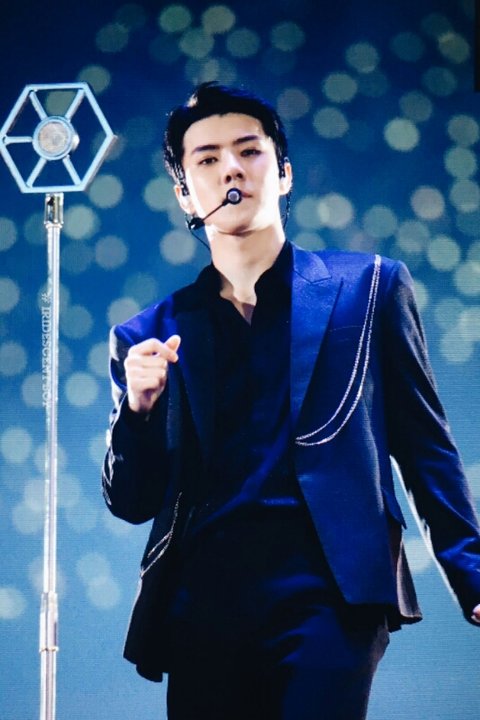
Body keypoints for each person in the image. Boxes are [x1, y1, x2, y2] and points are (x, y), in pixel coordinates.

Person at [102, 82, 480, 720]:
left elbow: (425, 447)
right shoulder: (148, 334)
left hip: (328, 591)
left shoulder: (370, 288)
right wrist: (137, 412)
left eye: (249, 151)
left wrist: (470, 571)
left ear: (283, 173)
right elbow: (132, 502)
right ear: (184, 194)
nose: (231, 168)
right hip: (202, 600)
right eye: (207, 158)